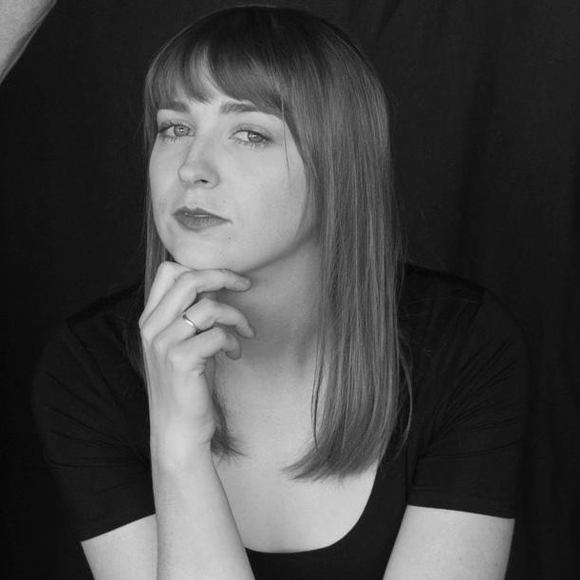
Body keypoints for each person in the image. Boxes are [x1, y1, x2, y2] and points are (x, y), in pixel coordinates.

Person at [32, 5, 528, 579]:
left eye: (250, 133)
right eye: (175, 127)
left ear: (340, 164)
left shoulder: (464, 345)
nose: (192, 167)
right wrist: (179, 447)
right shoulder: (89, 368)